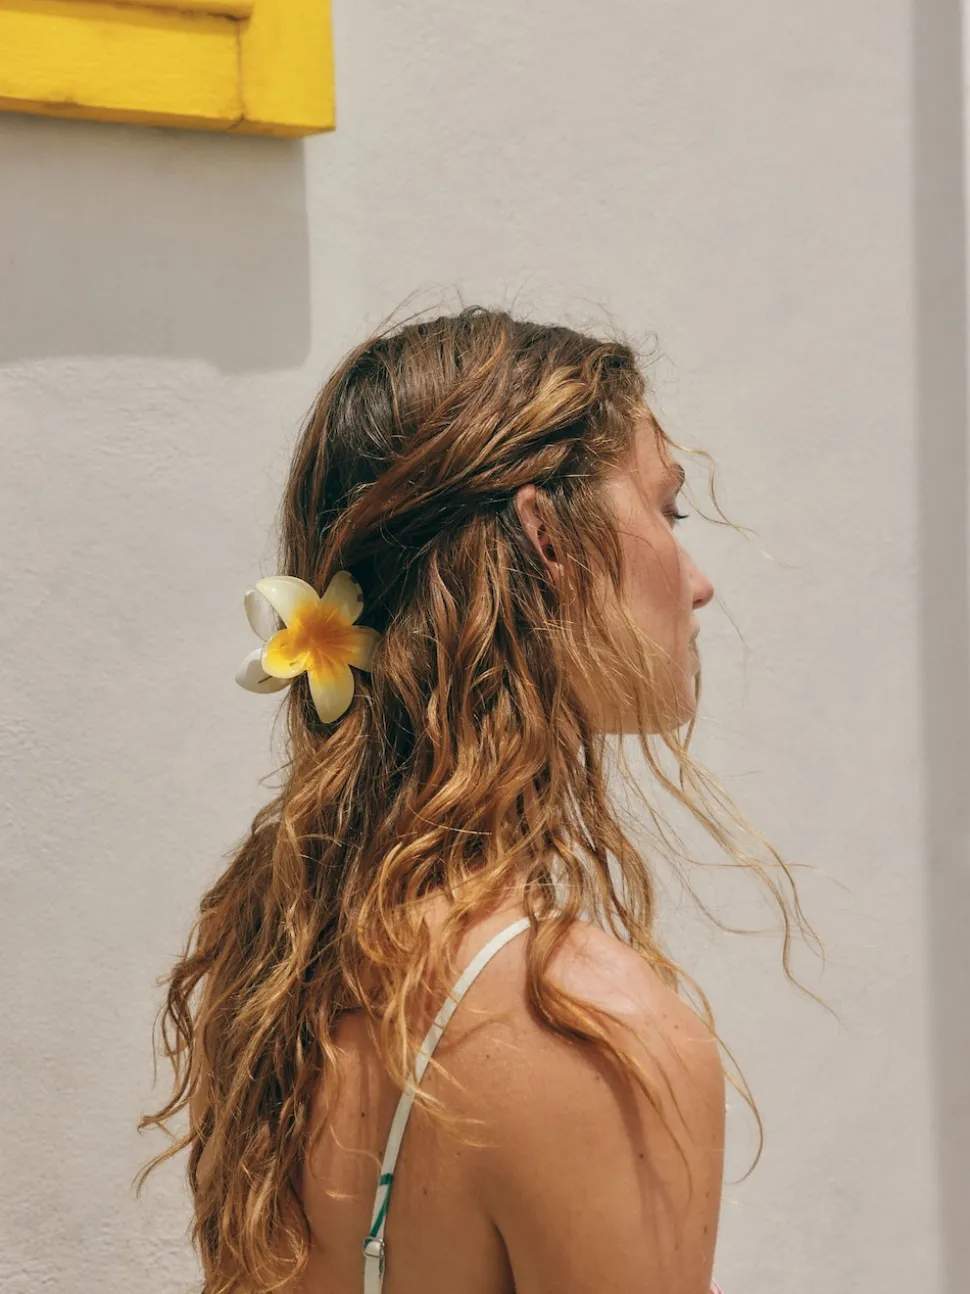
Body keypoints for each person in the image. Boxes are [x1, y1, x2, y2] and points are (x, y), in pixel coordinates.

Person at [137, 306, 809, 1293]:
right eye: (669, 511)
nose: (698, 582)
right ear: (545, 535)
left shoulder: (284, 962)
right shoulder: (590, 1030)